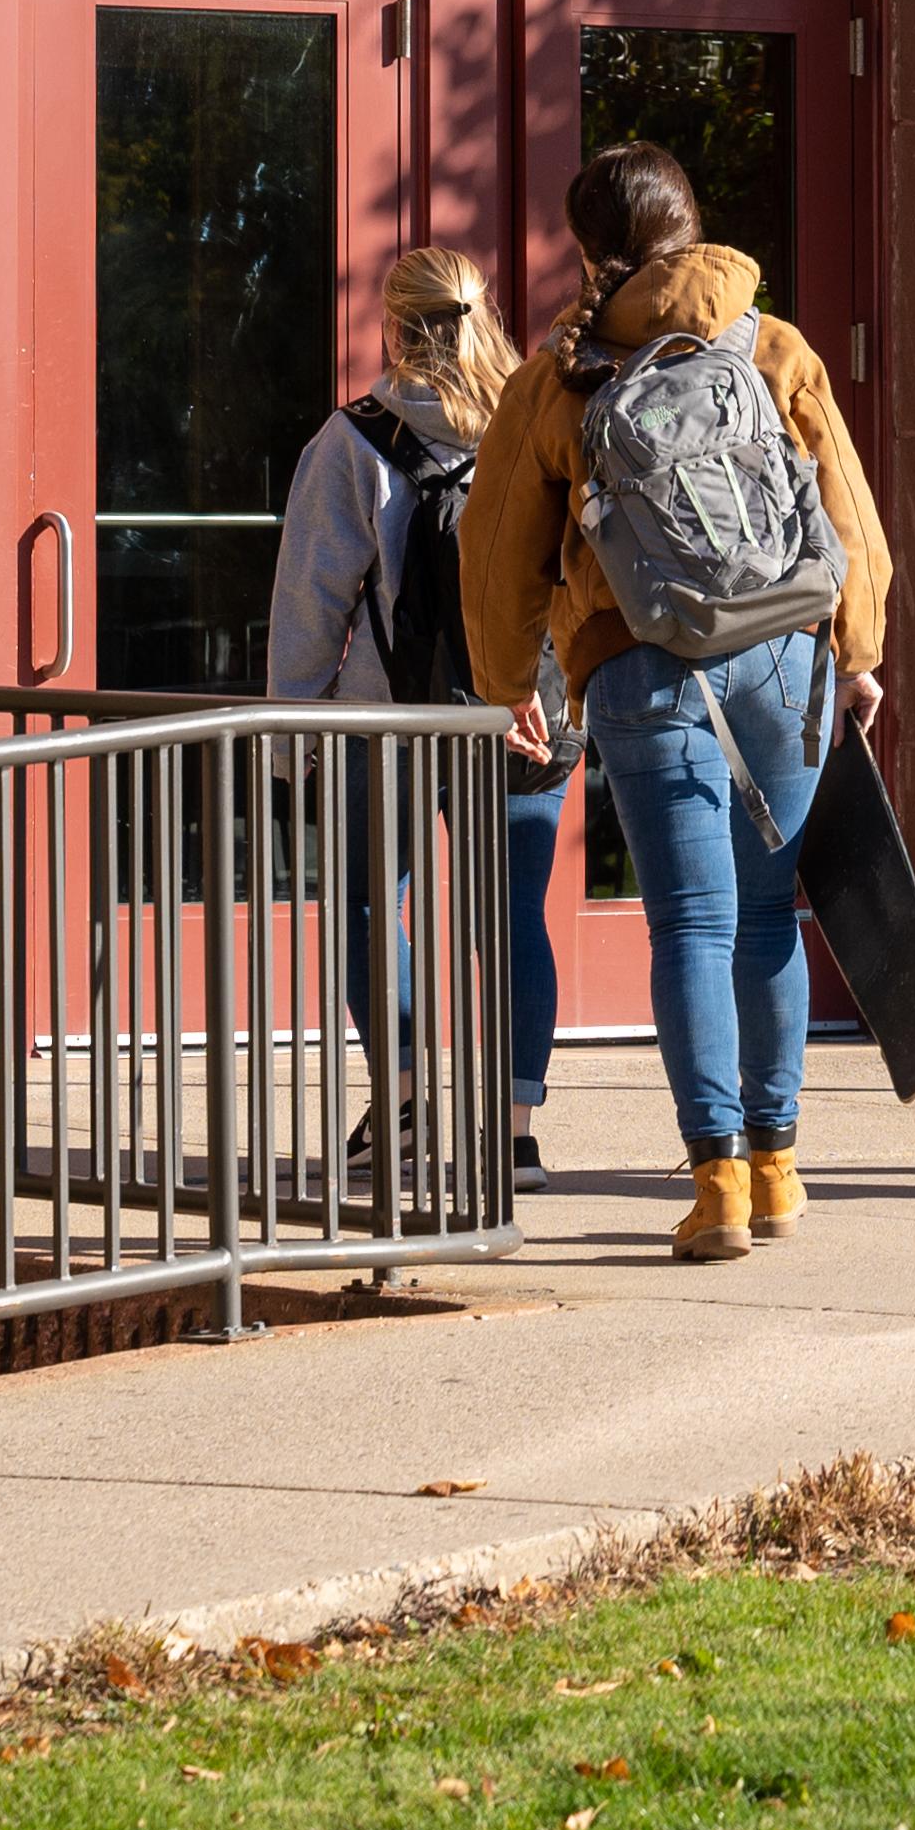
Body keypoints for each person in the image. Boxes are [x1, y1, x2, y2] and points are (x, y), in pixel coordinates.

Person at [460, 142, 892, 1267]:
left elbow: (498, 544)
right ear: (692, 228)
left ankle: (715, 1189)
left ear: (588, 247)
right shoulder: (770, 342)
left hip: (642, 661)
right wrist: (858, 647)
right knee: (765, 915)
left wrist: (508, 682)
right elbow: (846, 505)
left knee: (691, 923)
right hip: (786, 653)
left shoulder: (562, 372)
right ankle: (778, 1164)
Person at [266, 242, 572, 1179]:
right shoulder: (540, 422)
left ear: (394, 325)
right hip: (523, 712)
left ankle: (402, 1110)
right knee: (515, 914)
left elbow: (313, 603)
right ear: (485, 314)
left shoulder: (354, 439)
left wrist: (291, 736)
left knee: (369, 904)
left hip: (387, 722)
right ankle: (515, 1133)